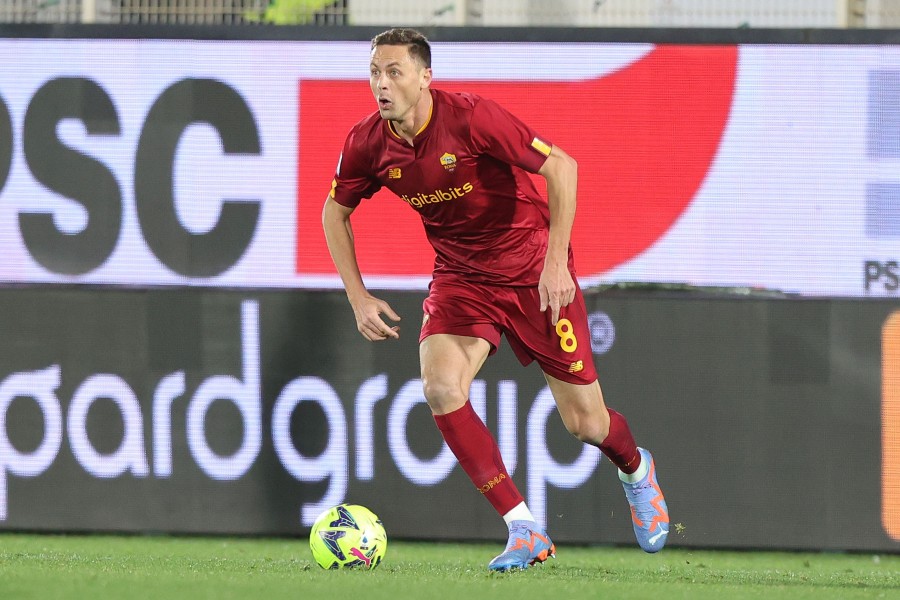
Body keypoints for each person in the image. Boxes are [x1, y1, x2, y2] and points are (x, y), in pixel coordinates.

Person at [322, 27, 669, 571]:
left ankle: (634, 468)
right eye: (374, 72)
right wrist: (358, 296)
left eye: (394, 72)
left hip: (531, 268)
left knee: (586, 425)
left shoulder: (471, 117)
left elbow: (562, 168)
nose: (381, 84)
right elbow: (334, 212)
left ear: (425, 77)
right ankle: (523, 527)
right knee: (440, 388)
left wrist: (557, 264)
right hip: (461, 276)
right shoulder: (366, 143)